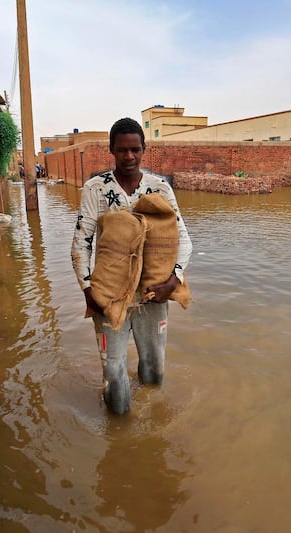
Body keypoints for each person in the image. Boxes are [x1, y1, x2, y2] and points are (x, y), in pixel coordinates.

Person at [71, 117, 192, 415]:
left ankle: (153, 419)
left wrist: (172, 282)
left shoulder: (159, 188)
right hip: (109, 294)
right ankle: (119, 427)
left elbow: (184, 240)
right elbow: (81, 242)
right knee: (113, 369)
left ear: (143, 150)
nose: (129, 157)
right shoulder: (95, 189)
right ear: (111, 150)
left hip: (153, 295)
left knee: (153, 367)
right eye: (122, 150)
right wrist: (88, 291)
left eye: (135, 150)